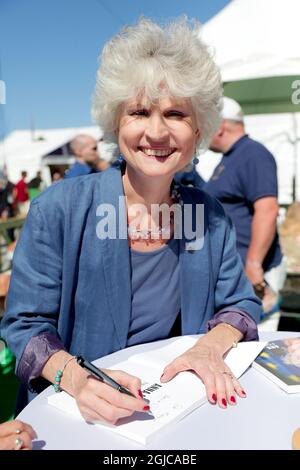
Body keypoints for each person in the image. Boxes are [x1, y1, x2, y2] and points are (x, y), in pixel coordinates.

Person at [1, 18, 261, 425]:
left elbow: (241, 305)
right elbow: (25, 325)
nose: (156, 132)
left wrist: (211, 346)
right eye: (139, 111)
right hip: (73, 418)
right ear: (116, 122)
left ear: (198, 130)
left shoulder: (208, 216)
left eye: (175, 113)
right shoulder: (59, 208)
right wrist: (79, 379)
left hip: (176, 414)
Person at [203, 97, 286, 327]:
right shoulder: (231, 157)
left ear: (219, 127)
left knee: (255, 345)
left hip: (253, 273)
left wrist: (253, 264)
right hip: (235, 270)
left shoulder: (253, 154)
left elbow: (267, 209)